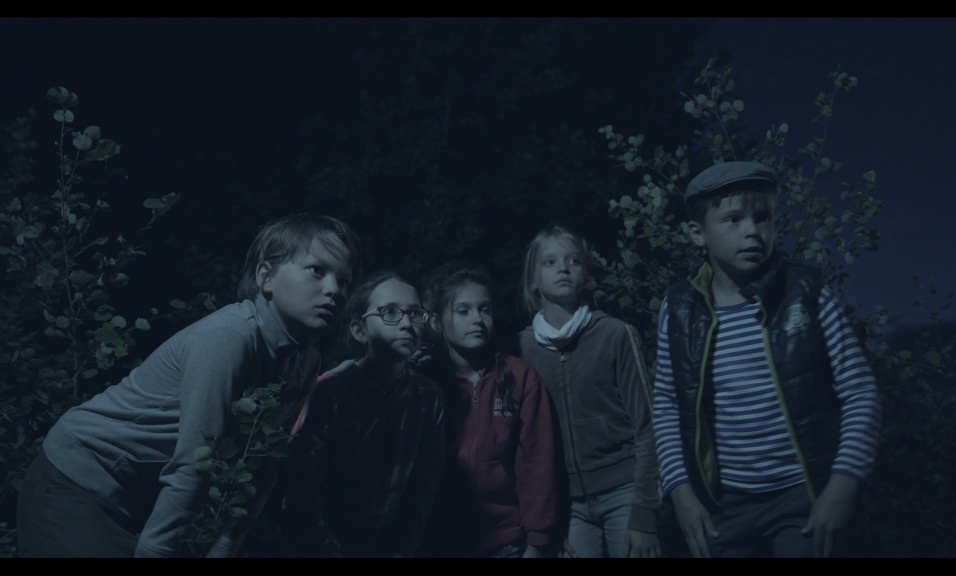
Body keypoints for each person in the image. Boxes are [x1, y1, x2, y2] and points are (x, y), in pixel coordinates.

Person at [15, 213, 361, 558]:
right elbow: (196, 461)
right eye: (317, 270)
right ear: (266, 277)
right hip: (75, 479)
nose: (334, 290)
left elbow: (261, 464)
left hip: (137, 496)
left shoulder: (304, 362)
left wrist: (225, 547)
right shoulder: (229, 336)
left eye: (344, 280)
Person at [651, 161, 882, 558]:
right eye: (733, 219)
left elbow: (860, 392)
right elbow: (667, 406)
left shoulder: (805, 293)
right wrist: (681, 492)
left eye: (763, 218)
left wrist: (842, 484)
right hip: (721, 505)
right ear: (697, 233)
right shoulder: (679, 308)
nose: (752, 231)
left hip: (801, 497)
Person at [515, 223, 662, 558]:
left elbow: (648, 426)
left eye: (573, 261)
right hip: (565, 505)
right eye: (550, 262)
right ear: (533, 280)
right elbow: (523, 444)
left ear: (585, 275)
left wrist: (645, 512)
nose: (563, 268)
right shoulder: (522, 348)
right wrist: (542, 524)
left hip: (625, 492)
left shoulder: (616, 334)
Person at [283, 270, 446, 558]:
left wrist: (402, 548)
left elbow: (423, 487)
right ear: (360, 330)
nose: (407, 324)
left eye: (415, 313)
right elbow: (303, 490)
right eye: (390, 312)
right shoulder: (329, 392)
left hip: (389, 543)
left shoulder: (427, 396)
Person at [415, 263, 558, 558]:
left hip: (504, 539)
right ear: (437, 321)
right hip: (436, 540)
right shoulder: (421, 381)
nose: (477, 319)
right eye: (463, 311)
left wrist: (538, 540)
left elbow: (537, 463)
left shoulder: (521, 377)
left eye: (484, 309)